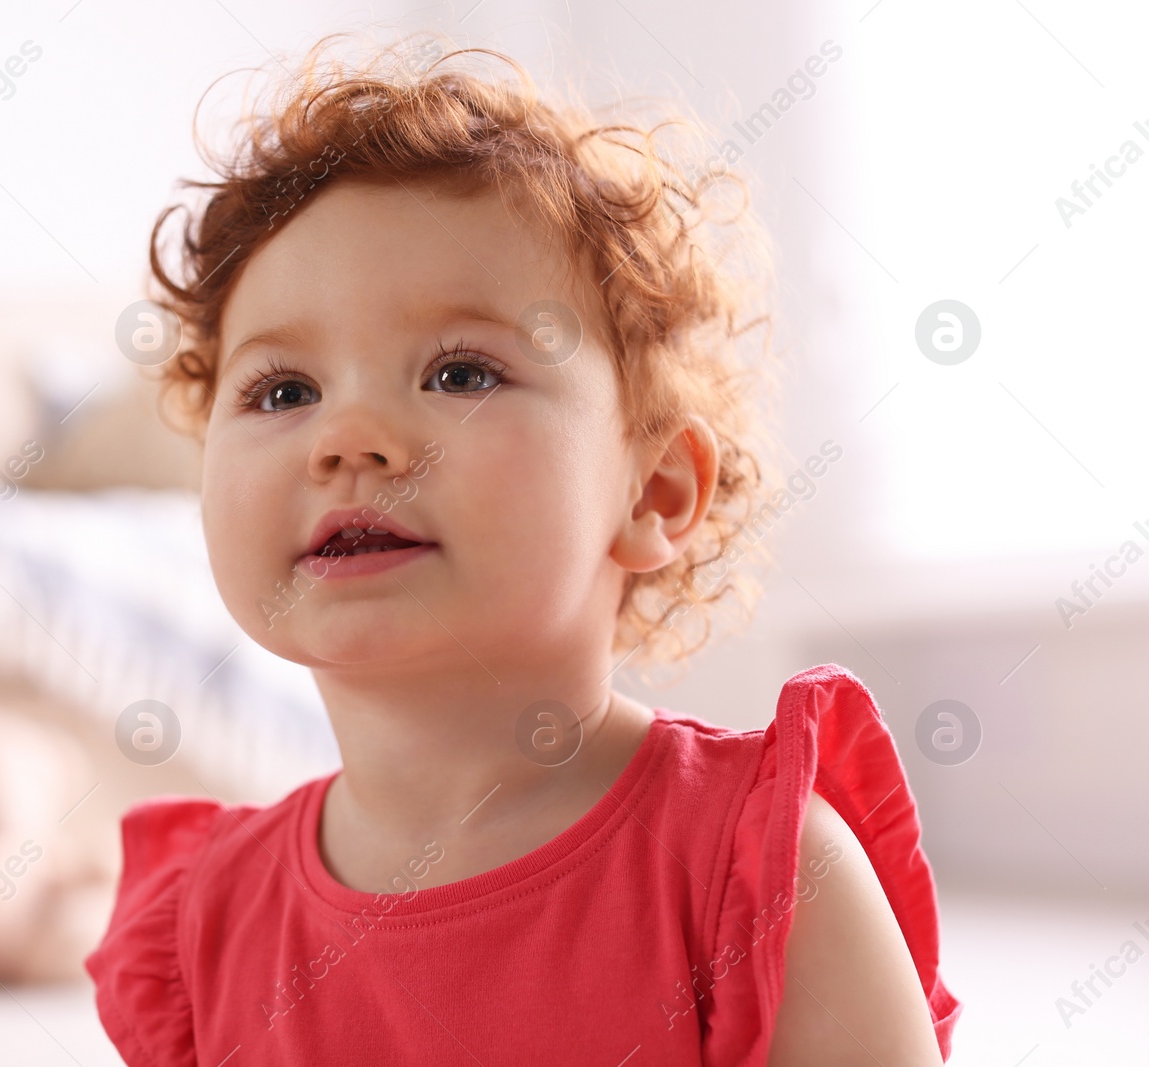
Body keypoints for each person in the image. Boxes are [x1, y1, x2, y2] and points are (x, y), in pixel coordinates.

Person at [87, 33, 960, 1065]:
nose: (348, 436)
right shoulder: (203, 930)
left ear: (654, 491)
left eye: (460, 373)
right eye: (284, 391)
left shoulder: (760, 873)